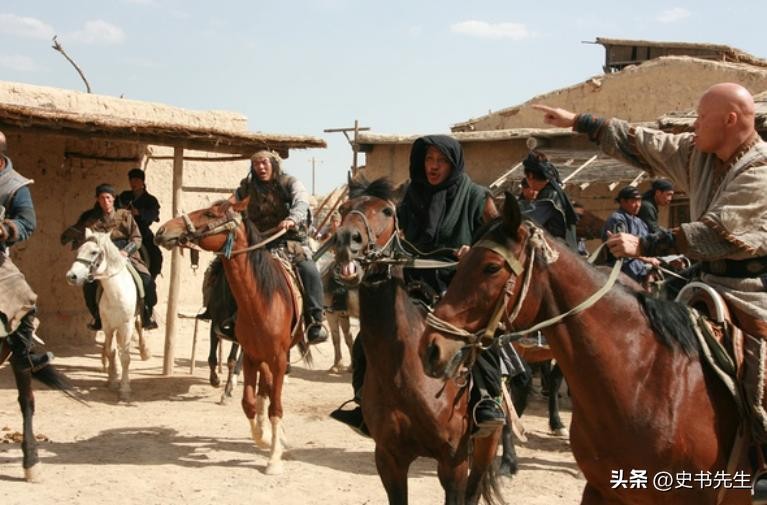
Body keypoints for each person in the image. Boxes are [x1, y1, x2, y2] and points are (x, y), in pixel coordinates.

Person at [534, 83, 767, 435]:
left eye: (702, 117)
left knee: (757, 378)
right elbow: (646, 143)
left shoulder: (760, 170)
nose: (695, 124)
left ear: (730, 120)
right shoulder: (699, 154)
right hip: (705, 282)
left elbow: (714, 235)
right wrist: (579, 121)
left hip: (752, 291)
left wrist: (644, 245)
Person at [332, 134, 506, 437]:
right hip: (414, 285)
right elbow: (392, 231)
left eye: (441, 161)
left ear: (453, 164)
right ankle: (363, 403)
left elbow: (500, 239)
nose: (433, 166)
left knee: (480, 339)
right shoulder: (410, 196)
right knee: (366, 339)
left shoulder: (477, 198)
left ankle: (487, 400)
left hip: (459, 287)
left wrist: (475, 251)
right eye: (429, 159)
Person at [229, 150, 327, 344]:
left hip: (288, 242)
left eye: (264, 162)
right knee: (225, 268)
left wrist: (292, 218)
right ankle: (227, 317)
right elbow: (231, 203)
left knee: (309, 270)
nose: (260, 167)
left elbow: (302, 202)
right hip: (257, 245)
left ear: (273, 164)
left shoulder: (289, 183)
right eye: (256, 164)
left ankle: (315, 320)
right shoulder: (246, 188)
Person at [62, 184, 158, 330]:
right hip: (102, 257)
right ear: (97, 200)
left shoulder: (125, 215)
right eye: (102, 198)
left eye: (108, 197)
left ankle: (147, 314)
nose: (105, 201)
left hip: (126, 254)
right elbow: (90, 240)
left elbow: (136, 238)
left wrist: (126, 251)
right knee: (89, 286)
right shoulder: (93, 220)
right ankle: (97, 317)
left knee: (146, 279)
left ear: (113, 199)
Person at [0, 131, 50, 372]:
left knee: (25, 298)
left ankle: (24, 355)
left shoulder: (15, 186)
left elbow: (27, 223)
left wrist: (4, 229)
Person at [602, 185, 660, 285]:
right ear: (623, 202)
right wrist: (648, 259)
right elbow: (621, 249)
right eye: (633, 201)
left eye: (639, 201)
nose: (638, 205)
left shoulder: (640, 222)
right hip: (621, 271)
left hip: (640, 271)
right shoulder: (617, 219)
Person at [520, 150, 579, 249]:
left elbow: (532, 220)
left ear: (530, 175)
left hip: (558, 248)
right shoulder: (550, 191)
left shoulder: (550, 195)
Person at [118, 168, 163, 280]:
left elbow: (154, 214)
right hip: (123, 231)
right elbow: (114, 208)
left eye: (136, 180)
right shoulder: (124, 196)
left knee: (156, 255)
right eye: (131, 180)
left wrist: (139, 212)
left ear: (142, 182)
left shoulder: (150, 200)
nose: (133, 183)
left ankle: (151, 279)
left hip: (141, 232)